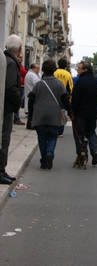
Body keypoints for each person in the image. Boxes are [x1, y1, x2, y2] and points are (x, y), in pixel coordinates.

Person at [27, 59, 72, 169]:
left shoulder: (38, 84)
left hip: (39, 114)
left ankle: (43, 162)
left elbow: (31, 100)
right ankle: (49, 153)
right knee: (52, 137)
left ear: (43, 70)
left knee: (42, 138)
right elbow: (65, 99)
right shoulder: (59, 84)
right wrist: (70, 112)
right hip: (54, 114)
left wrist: (30, 117)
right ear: (54, 70)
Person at [71, 61, 97, 166]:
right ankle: (95, 150)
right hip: (93, 113)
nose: (78, 71)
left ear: (85, 70)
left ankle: (82, 154)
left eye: (79, 68)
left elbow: (75, 99)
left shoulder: (80, 81)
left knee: (79, 135)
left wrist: (72, 112)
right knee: (91, 132)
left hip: (80, 113)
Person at [0, 34, 23, 184]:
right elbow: (10, 87)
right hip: (6, 108)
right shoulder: (11, 63)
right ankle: (1, 171)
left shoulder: (6, 59)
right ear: (20, 49)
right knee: (4, 139)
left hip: (5, 105)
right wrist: (18, 101)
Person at [54, 58, 74, 138]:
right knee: (61, 114)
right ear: (65, 66)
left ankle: (53, 129)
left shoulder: (54, 72)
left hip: (54, 95)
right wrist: (70, 98)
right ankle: (60, 132)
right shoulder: (68, 74)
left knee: (54, 113)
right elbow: (70, 87)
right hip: (63, 97)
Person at [24, 63, 41, 129]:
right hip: (33, 96)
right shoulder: (32, 75)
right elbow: (38, 84)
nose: (38, 70)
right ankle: (31, 125)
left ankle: (30, 124)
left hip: (32, 95)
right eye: (37, 68)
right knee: (32, 112)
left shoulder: (33, 74)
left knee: (31, 112)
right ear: (33, 68)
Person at [14, 53, 27, 126]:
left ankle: (16, 117)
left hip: (21, 85)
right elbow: (24, 73)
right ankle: (16, 118)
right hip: (19, 86)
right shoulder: (17, 65)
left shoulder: (20, 65)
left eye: (22, 57)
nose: (21, 59)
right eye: (20, 57)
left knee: (19, 102)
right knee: (18, 102)